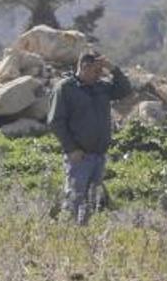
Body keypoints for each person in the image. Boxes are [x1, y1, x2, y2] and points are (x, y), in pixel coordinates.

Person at [47, 50, 132, 225]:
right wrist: (71, 149)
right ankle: (68, 234)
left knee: (91, 201)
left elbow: (124, 90)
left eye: (101, 72)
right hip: (79, 157)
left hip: (98, 156)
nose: (99, 75)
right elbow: (56, 122)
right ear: (84, 67)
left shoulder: (101, 87)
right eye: (95, 71)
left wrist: (113, 69)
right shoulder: (65, 89)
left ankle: (84, 235)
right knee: (75, 198)